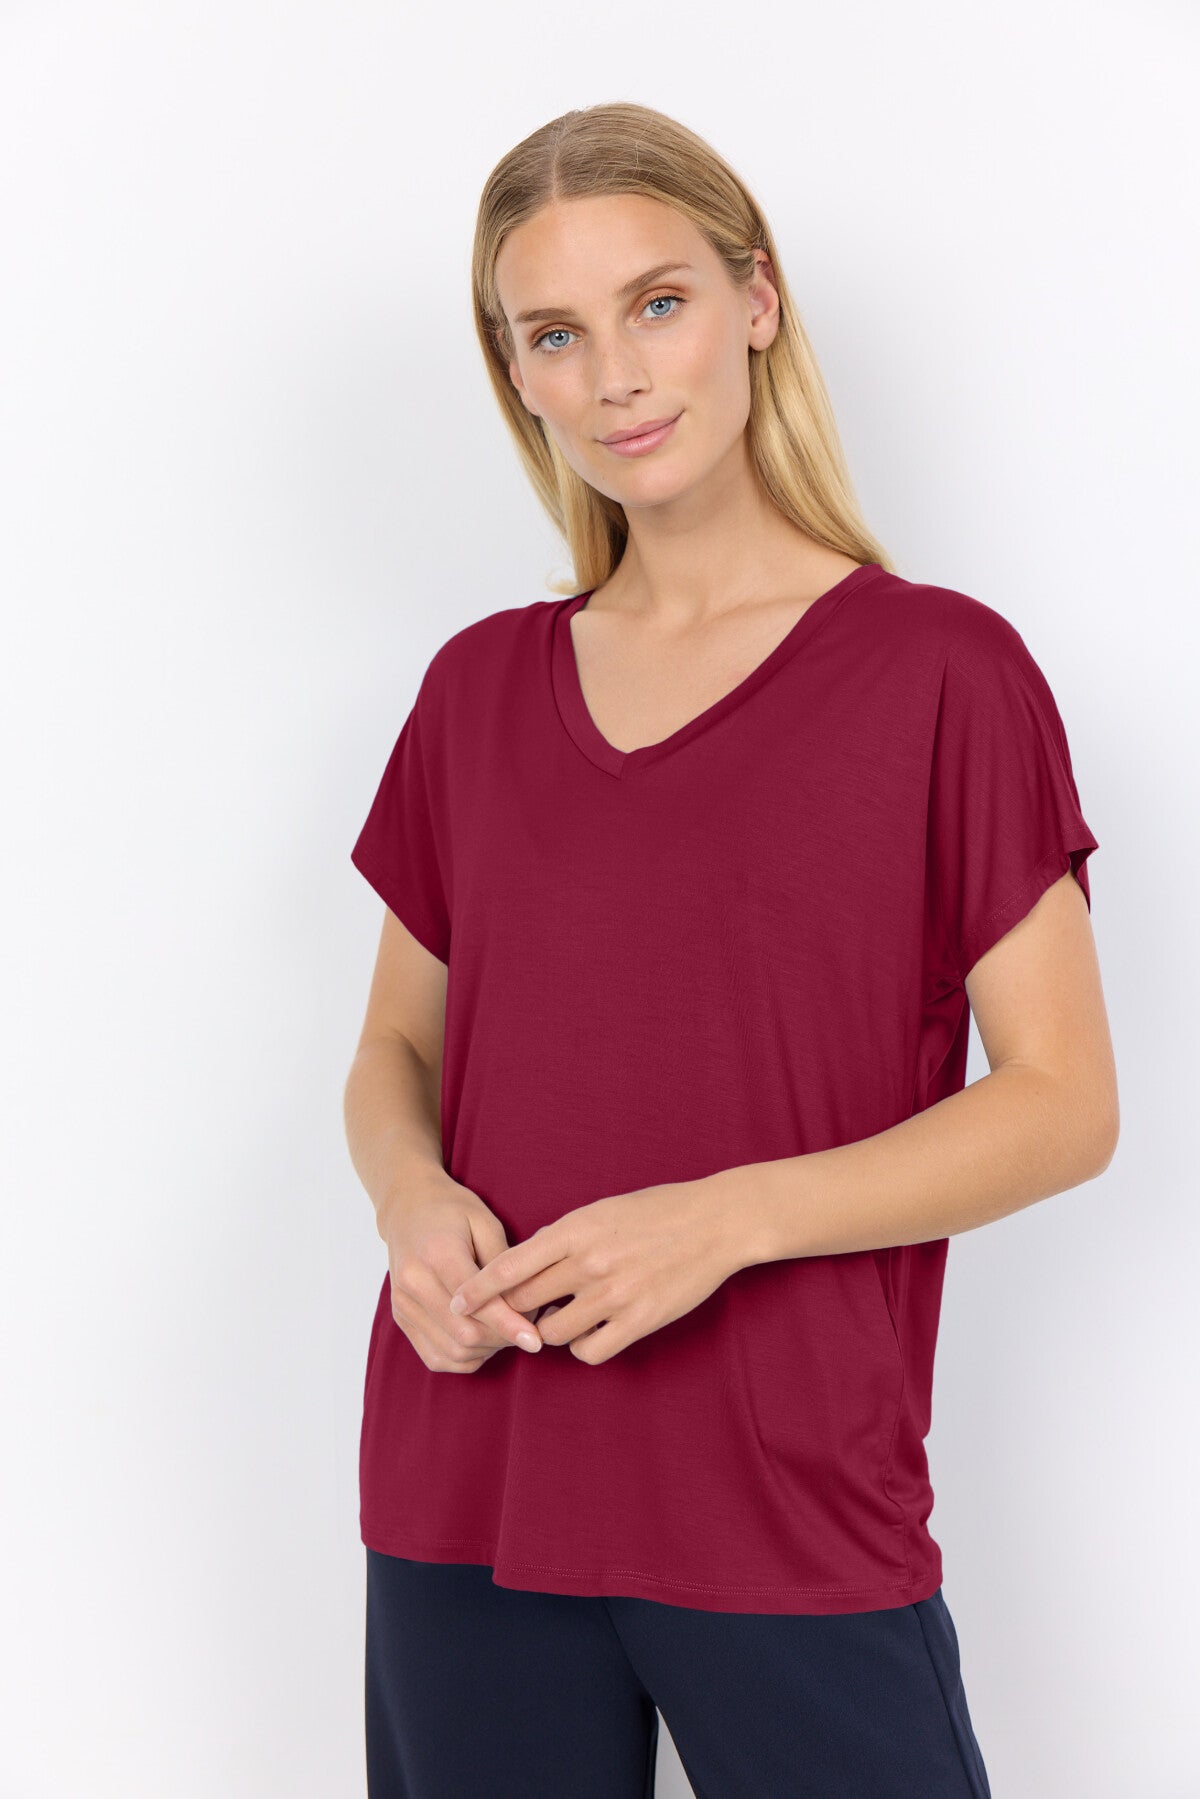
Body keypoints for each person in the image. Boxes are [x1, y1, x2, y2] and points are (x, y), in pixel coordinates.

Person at [343, 101, 1118, 1798]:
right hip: (468, 1472)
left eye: (658, 303)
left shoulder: (942, 674)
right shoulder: (477, 690)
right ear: (517, 375)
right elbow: (395, 1050)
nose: (615, 376)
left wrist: (726, 1221)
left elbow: (1065, 1103)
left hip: (781, 1489)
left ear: (756, 300)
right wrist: (409, 1206)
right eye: (555, 334)